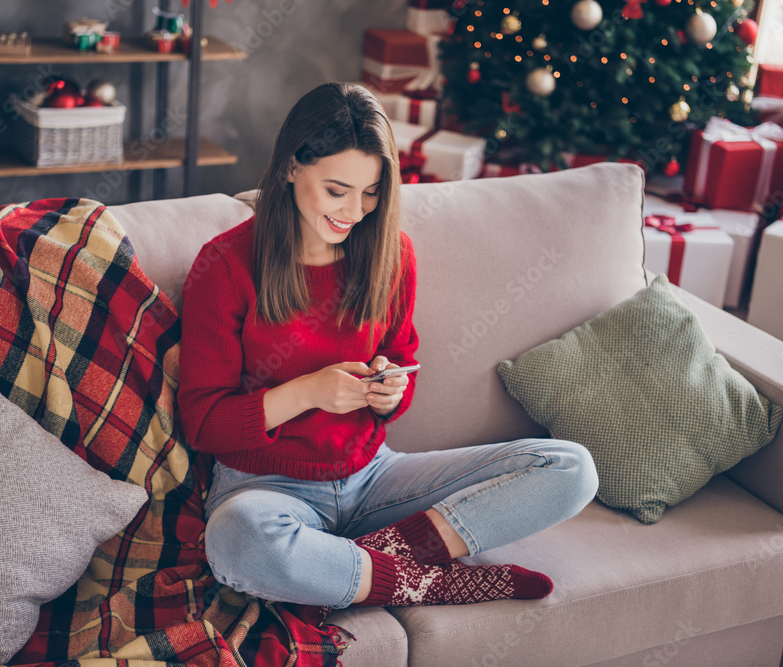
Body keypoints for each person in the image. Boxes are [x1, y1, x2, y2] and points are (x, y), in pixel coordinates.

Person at [178, 82, 598, 611]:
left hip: (372, 476)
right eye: (337, 190)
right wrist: (307, 392)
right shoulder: (225, 266)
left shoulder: (389, 252)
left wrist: (391, 390)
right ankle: (424, 581)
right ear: (290, 168)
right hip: (266, 488)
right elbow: (202, 422)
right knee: (235, 537)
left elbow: (402, 357)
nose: (354, 211)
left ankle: (363, 564)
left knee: (571, 468)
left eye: (371, 192)